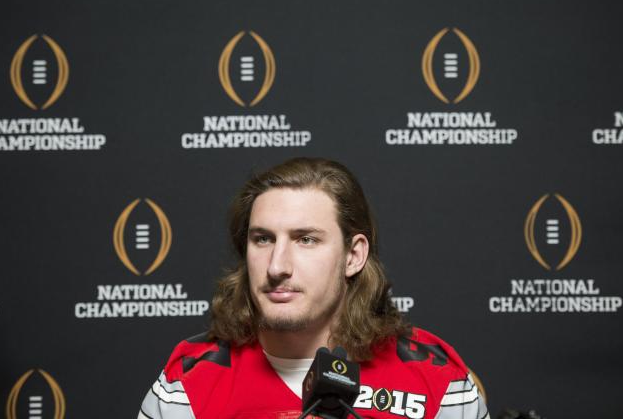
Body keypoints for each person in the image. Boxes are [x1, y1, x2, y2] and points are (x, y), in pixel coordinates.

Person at [138, 157, 488, 419]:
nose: (277, 266)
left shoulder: (434, 376)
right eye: (262, 239)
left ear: (354, 255)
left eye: (305, 240)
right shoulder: (188, 382)